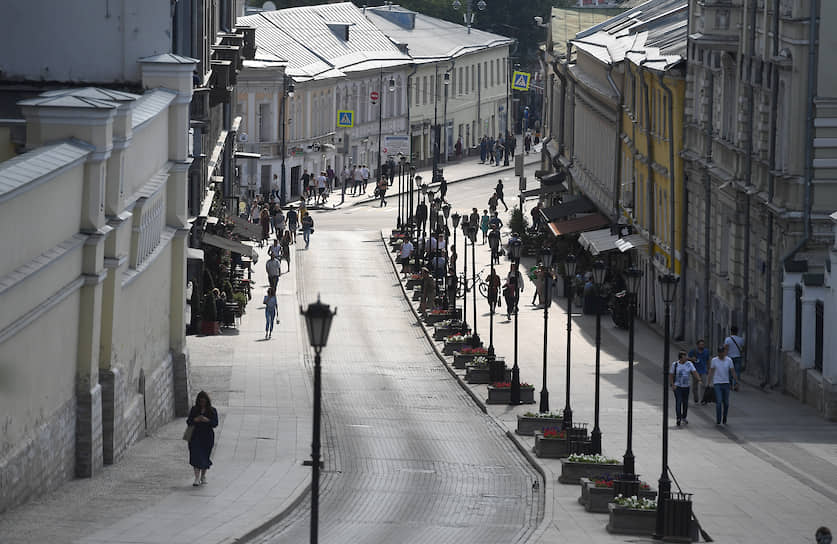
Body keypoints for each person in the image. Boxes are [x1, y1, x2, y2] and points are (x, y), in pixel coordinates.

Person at [186, 390, 218, 486]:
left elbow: (215, 423)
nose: (202, 403)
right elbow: (189, 421)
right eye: (201, 401)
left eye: (204, 401)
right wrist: (196, 419)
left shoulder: (212, 410)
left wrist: (206, 420)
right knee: (196, 456)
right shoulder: (194, 409)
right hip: (195, 436)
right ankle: (196, 478)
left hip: (207, 437)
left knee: (204, 456)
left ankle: (203, 476)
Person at [708, 345, 739, 425]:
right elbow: (711, 371)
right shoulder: (714, 360)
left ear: (724, 352)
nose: (721, 354)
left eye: (722, 352)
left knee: (726, 403)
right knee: (718, 402)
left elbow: (732, 371)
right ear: (718, 353)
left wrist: (736, 382)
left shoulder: (729, 360)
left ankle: (724, 417)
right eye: (720, 353)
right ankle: (718, 419)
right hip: (717, 383)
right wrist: (708, 382)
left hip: (726, 383)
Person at [671, 350, 701, 426]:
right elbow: (671, 375)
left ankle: (684, 417)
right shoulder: (675, 364)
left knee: (685, 403)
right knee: (678, 401)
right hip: (678, 386)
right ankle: (678, 417)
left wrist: (699, 379)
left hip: (686, 386)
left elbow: (694, 372)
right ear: (680, 358)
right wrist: (672, 384)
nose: (686, 358)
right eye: (685, 357)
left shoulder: (689, 364)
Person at [688, 339, 711, 404]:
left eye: (703, 344)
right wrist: (691, 359)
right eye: (700, 344)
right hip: (695, 371)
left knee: (703, 385)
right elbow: (687, 358)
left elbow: (708, 360)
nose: (702, 346)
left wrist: (708, 369)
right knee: (695, 386)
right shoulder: (693, 351)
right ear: (697, 345)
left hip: (703, 370)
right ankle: (696, 398)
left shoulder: (706, 351)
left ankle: (703, 399)